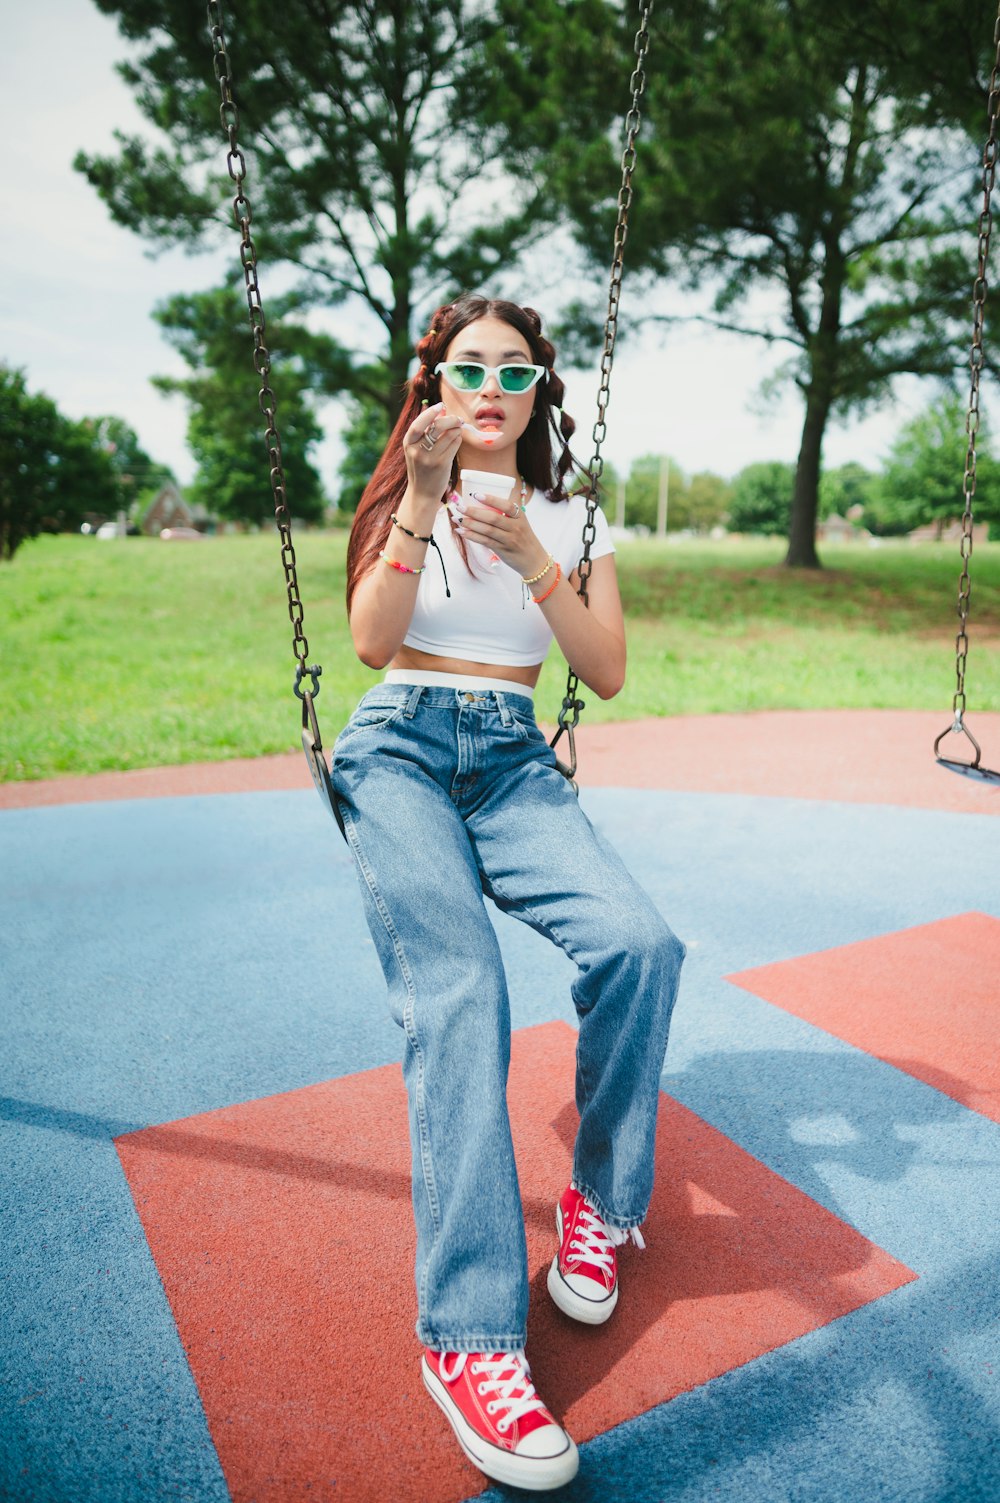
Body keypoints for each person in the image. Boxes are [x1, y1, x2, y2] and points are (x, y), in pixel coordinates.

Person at [332, 294, 685, 1492]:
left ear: (540, 392)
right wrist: (425, 506)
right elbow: (373, 646)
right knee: (463, 994)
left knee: (640, 944)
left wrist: (534, 553)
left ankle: (601, 1201)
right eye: (467, 367)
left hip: (515, 758)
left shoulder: (572, 514)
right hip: (399, 752)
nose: (492, 387)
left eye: (516, 371)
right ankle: (470, 1342)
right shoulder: (398, 498)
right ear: (433, 384)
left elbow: (606, 670)